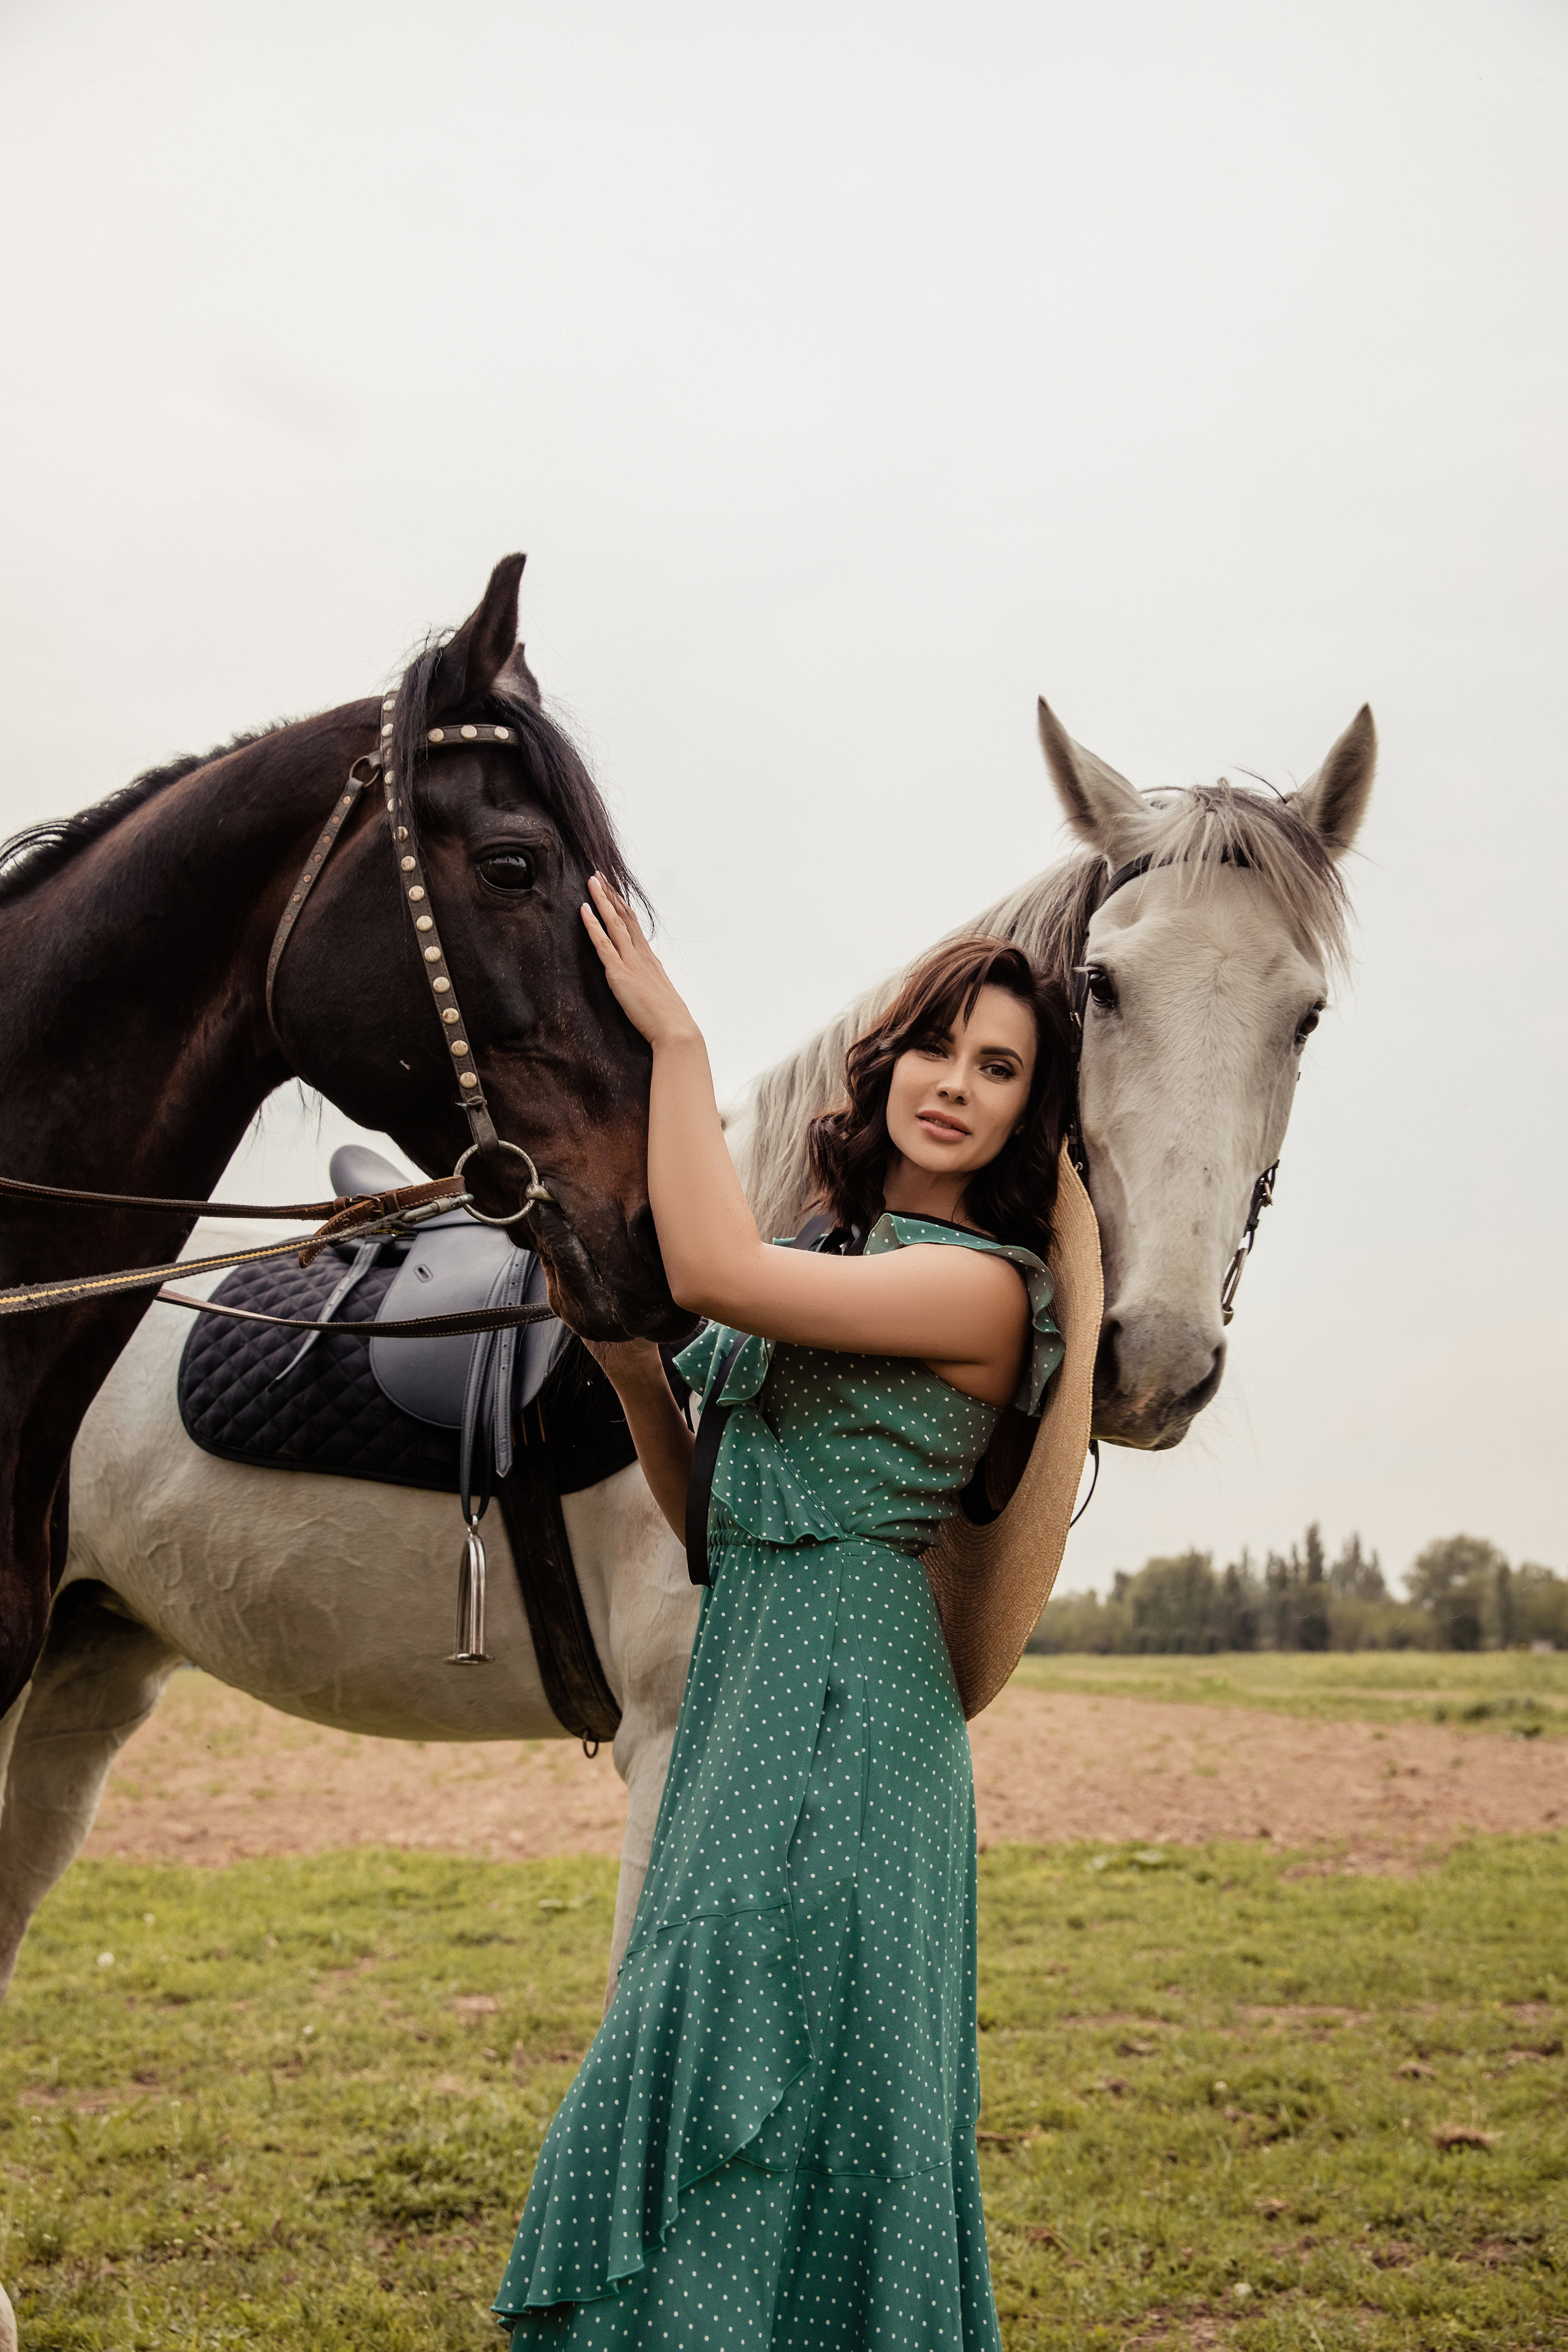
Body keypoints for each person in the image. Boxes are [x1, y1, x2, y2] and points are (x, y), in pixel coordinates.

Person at [493, 878, 1076, 2349]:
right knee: (731, 2059)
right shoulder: (833, 1259)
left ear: (1025, 1115)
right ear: (888, 1067)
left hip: (851, 1717)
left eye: (998, 1067)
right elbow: (709, 1523)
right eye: (938, 1046)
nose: (956, 1085)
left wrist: (675, 1047)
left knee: (786, 2079)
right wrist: (632, 1369)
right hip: (756, 1680)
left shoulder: (983, 1293)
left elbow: (709, 1269)